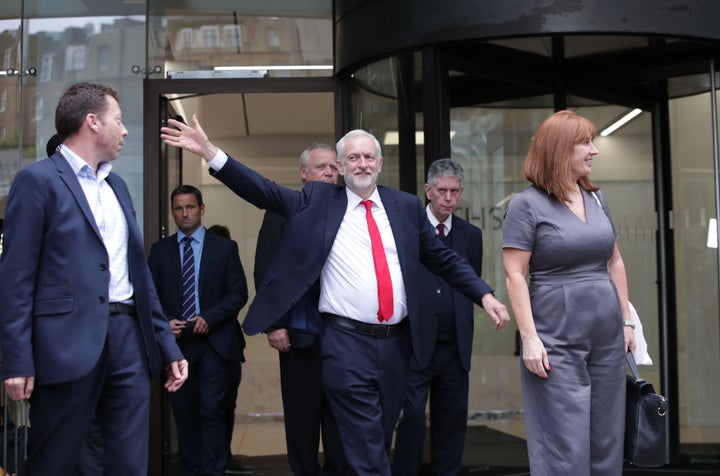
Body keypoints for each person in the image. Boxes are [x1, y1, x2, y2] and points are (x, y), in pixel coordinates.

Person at [160, 116, 510, 476]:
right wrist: (210, 153)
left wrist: (484, 295)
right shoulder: (319, 202)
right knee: (365, 444)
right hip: (345, 342)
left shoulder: (404, 207)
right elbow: (262, 190)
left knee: (379, 434)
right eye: (354, 158)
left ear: (380, 163)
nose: (362, 164)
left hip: (396, 344)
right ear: (341, 167)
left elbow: (442, 257)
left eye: (369, 157)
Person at [0, 82, 188, 476]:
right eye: (117, 120)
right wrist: (15, 360)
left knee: (128, 462)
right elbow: (15, 279)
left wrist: (166, 345)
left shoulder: (117, 187)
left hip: (128, 341)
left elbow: (138, 275)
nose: (124, 130)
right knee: (56, 461)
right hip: (63, 346)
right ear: (92, 122)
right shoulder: (38, 182)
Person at [502, 110, 636, 476]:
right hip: (555, 336)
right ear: (561, 150)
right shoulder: (525, 205)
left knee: (608, 437)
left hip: (607, 334)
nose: (594, 151)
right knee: (565, 440)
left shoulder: (596, 198)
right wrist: (529, 338)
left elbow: (615, 264)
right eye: (586, 143)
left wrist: (626, 323)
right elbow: (515, 274)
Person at [253, 143, 348, 476]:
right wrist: (274, 325)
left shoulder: (350, 211)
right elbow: (267, 270)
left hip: (344, 336)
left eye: (334, 168)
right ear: (304, 173)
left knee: (340, 422)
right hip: (298, 334)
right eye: (321, 167)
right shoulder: (282, 210)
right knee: (302, 422)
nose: (328, 173)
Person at [148, 185, 249, 476]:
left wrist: (210, 317)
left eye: (190, 207)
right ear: (173, 212)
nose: (184, 214)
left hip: (215, 343)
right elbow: (150, 295)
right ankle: (193, 469)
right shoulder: (160, 251)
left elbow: (238, 293)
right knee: (185, 412)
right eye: (178, 208)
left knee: (212, 409)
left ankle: (214, 470)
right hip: (178, 346)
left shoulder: (224, 248)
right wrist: (165, 321)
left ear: (202, 209)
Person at [393, 158, 484, 476]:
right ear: (428, 191)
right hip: (416, 343)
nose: (448, 198)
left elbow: (471, 282)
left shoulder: (471, 235)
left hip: (455, 347)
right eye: (442, 191)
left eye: (455, 192)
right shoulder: (408, 231)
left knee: (451, 421)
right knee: (412, 417)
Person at [205, 223, 256, 476]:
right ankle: (218, 459)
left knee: (220, 406)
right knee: (219, 407)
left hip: (228, 345)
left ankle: (220, 459)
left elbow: (238, 296)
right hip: (222, 346)